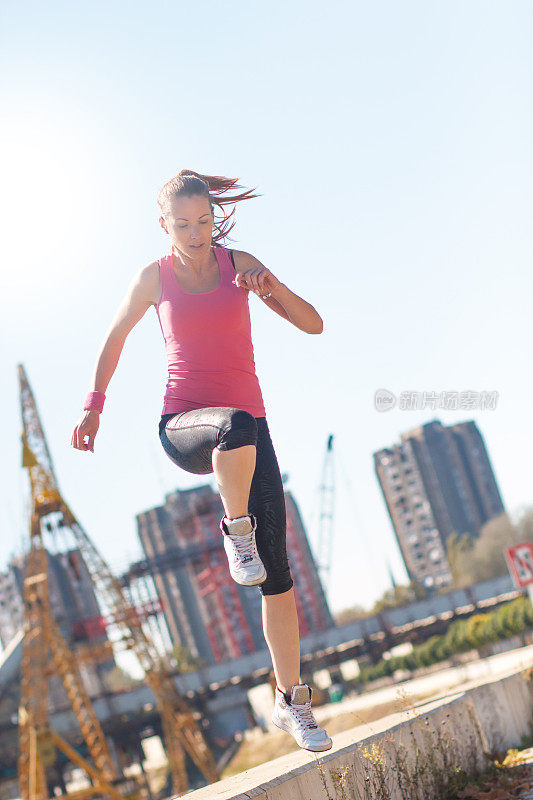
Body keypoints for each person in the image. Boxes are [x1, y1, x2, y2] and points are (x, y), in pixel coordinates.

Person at [70, 169, 332, 753]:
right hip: (186, 426)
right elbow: (113, 339)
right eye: (182, 223)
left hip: (250, 433)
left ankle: (291, 704)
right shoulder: (153, 278)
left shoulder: (240, 265)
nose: (195, 232)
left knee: (278, 578)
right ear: (164, 225)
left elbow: (313, 323)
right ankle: (233, 528)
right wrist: (93, 408)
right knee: (232, 427)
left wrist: (268, 290)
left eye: (204, 221)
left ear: (216, 219)